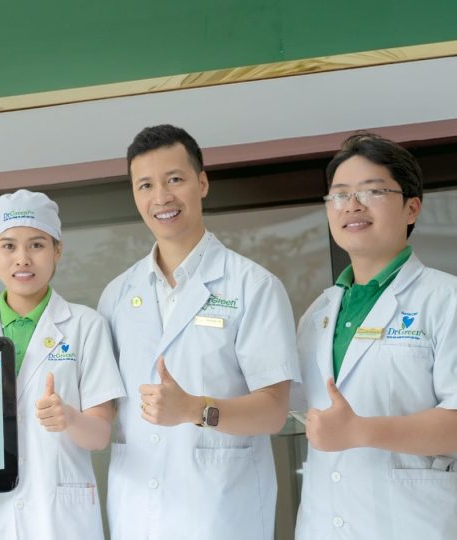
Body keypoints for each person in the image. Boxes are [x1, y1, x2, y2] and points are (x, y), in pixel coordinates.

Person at [97, 124, 299, 540]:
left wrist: (194, 409)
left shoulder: (253, 286)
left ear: (202, 183)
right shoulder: (117, 295)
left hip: (222, 516)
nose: (161, 198)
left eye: (174, 179)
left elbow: (273, 411)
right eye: (145, 185)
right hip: (137, 514)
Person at [294, 133, 457, 538]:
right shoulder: (317, 315)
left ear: (411, 207)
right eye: (339, 195)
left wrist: (359, 431)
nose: (352, 205)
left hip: (415, 524)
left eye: (372, 191)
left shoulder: (446, 299)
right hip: (323, 524)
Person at [0, 190, 124, 540]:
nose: (22, 259)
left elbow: (100, 435)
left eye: (36, 245)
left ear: (57, 250)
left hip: (60, 521)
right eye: (8, 246)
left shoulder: (86, 325)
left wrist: (69, 418)